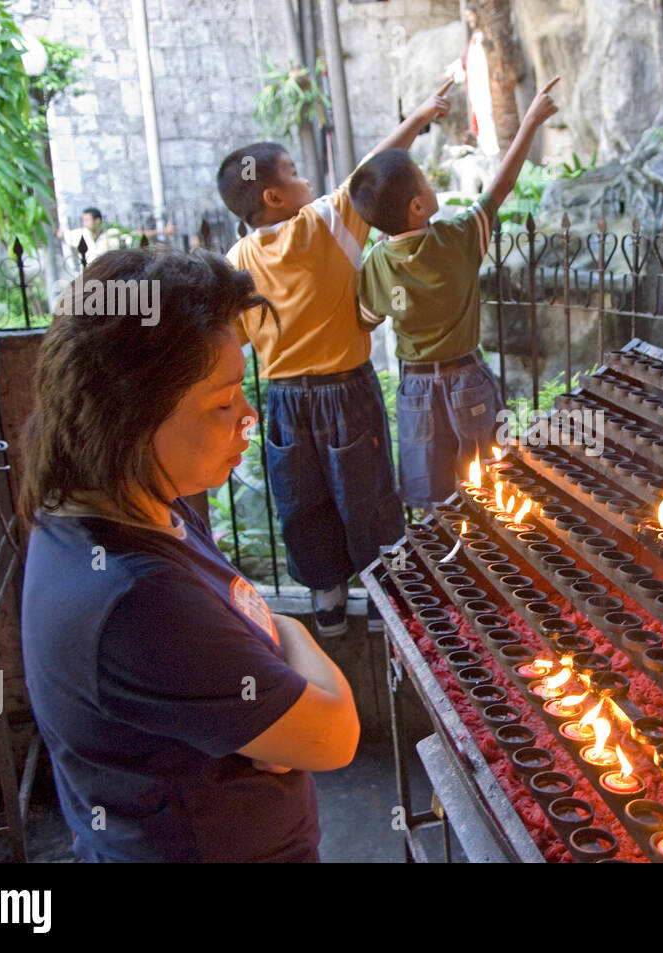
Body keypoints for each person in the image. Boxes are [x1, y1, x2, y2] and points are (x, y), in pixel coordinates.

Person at [20, 247, 358, 862]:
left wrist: (274, 646)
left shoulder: (137, 504)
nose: (249, 417)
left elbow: (252, 634)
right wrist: (291, 638)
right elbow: (334, 733)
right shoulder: (136, 598)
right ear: (128, 417)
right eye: (221, 403)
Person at [215, 81, 453, 637]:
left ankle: (326, 600)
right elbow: (372, 171)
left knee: (302, 498)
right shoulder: (324, 222)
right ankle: (385, 596)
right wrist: (417, 115)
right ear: (274, 196)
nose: (307, 180)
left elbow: (233, 339)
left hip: (284, 399)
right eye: (295, 173)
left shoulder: (237, 260)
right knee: (365, 490)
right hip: (346, 389)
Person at [350, 76, 560, 508]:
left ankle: (444, 572)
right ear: (417, 205)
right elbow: (499, 189)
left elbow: (367, 319)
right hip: (469, 382)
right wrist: (531, 122)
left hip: (416, 392)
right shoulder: (458, 238)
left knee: (430, 502)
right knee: (492, 491)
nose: (430, 184)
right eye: (424, 180)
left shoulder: (376, 265)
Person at [56, 207, 122, 263]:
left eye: (87, 220)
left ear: (97, 221)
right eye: (84, 221)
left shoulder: (113, 233)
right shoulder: (81, 234)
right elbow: (65, 235)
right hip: (89, 273)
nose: (85, 224)